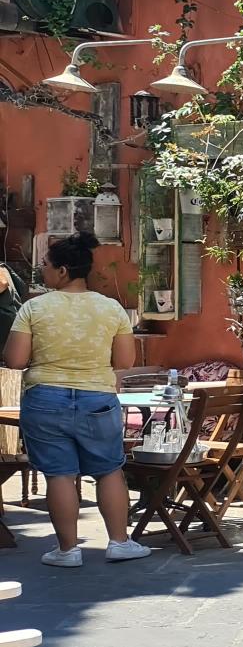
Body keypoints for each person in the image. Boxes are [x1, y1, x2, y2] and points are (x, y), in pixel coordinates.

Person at [0, 232, 148, 566]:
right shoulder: (111, 309)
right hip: (97, 396)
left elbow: (16, 361)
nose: (43, 272)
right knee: (109, 470)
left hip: (45, 398)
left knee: (59, 474)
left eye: (46, 266)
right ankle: (119, 542)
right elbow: (124, 362)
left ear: (63, 271)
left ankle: (67, 550)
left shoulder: (34, 308)